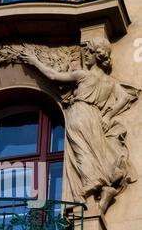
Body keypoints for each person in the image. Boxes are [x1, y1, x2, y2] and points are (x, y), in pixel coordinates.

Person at [20, 37, 139, 213]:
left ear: (97, 55)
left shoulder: (83, 75)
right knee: (94, 151)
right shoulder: (111, 82)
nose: (86, 55)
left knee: (82, 150)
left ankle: (92, 181)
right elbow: (124, 98)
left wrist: (35, 61)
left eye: (89, 52)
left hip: (80, 112)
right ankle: (104, 187)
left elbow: (54, 75)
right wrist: (108, 115)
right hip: (95, 117)